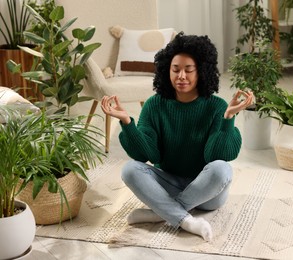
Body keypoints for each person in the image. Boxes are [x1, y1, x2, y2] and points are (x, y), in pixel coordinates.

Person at [101, 32, 254, 242]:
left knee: (222, 169)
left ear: (201, 72)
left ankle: (160, 213)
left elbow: (216, 155)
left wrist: (228, 118)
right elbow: (145, 154)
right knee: (129, 169)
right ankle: (186, 220)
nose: (181, 76)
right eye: (175, 69)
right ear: (167, 71)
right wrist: (127, 122)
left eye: (189, 70)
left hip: (208, 193)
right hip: (169, 184)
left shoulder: (216, 106)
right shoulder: (155, 105)